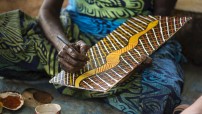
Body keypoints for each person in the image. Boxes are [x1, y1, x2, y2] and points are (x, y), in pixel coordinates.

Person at [0, 0, 184, 113]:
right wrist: (64, 48)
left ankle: (71, 77)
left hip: (132, 39)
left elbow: (160, 19)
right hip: (72, 32)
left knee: (163, 92)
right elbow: (47, 11)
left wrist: (133, 53)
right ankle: (90, 79)